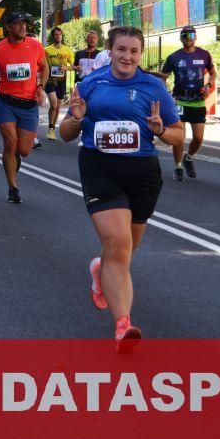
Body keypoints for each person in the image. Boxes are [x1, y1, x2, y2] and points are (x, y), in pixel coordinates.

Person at [58, 26, 184, 352]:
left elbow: (178, 135)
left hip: (142, 173)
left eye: (134, 51)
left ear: (140, 54)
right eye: (121, 50)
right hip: (100, 168)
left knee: (124, 252)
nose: (127, 56)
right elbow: (65, 133)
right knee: (118, 242)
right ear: (110, 51)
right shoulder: (91, 84)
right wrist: (77, 118)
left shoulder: (153, 87)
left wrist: (161, 130)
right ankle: (123, 325)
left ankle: (101, 269)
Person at [0, 13, 49, 204]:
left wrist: (41, 86)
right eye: (18, 24)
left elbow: (45, 67)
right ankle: (13, 188)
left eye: (24, 24)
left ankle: (14, 156)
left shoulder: (35, 45)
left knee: (23, 150)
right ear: (9, 27)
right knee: (10, 143)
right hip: (7, 103)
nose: (23, 27)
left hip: (29, 105)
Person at [152, 25, 217, 181]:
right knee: (179, 137)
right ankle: (178, 166)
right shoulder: (174, 57)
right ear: (181, 38)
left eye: (191, 35)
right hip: (179, 102)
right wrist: (164, 91)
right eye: (185, 36)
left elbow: (213, 73)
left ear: (196, 37)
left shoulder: (204, 54)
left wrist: (208, 85)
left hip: (198, 102)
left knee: (198, 138)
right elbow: (163, 77)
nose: (189, 38)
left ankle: (189, 158)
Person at [43, 27, 75, 141]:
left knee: (58, 107)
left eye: (60, 34)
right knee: (53, 104)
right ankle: (50, 128)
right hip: (50, 80)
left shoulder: (67, 50)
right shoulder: (47, 50)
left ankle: (52, 129)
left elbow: (74, 66)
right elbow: (43, 65)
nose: (58, 36)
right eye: (56, 34)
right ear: (53, 36)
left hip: (62, 80)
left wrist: (66, 67)